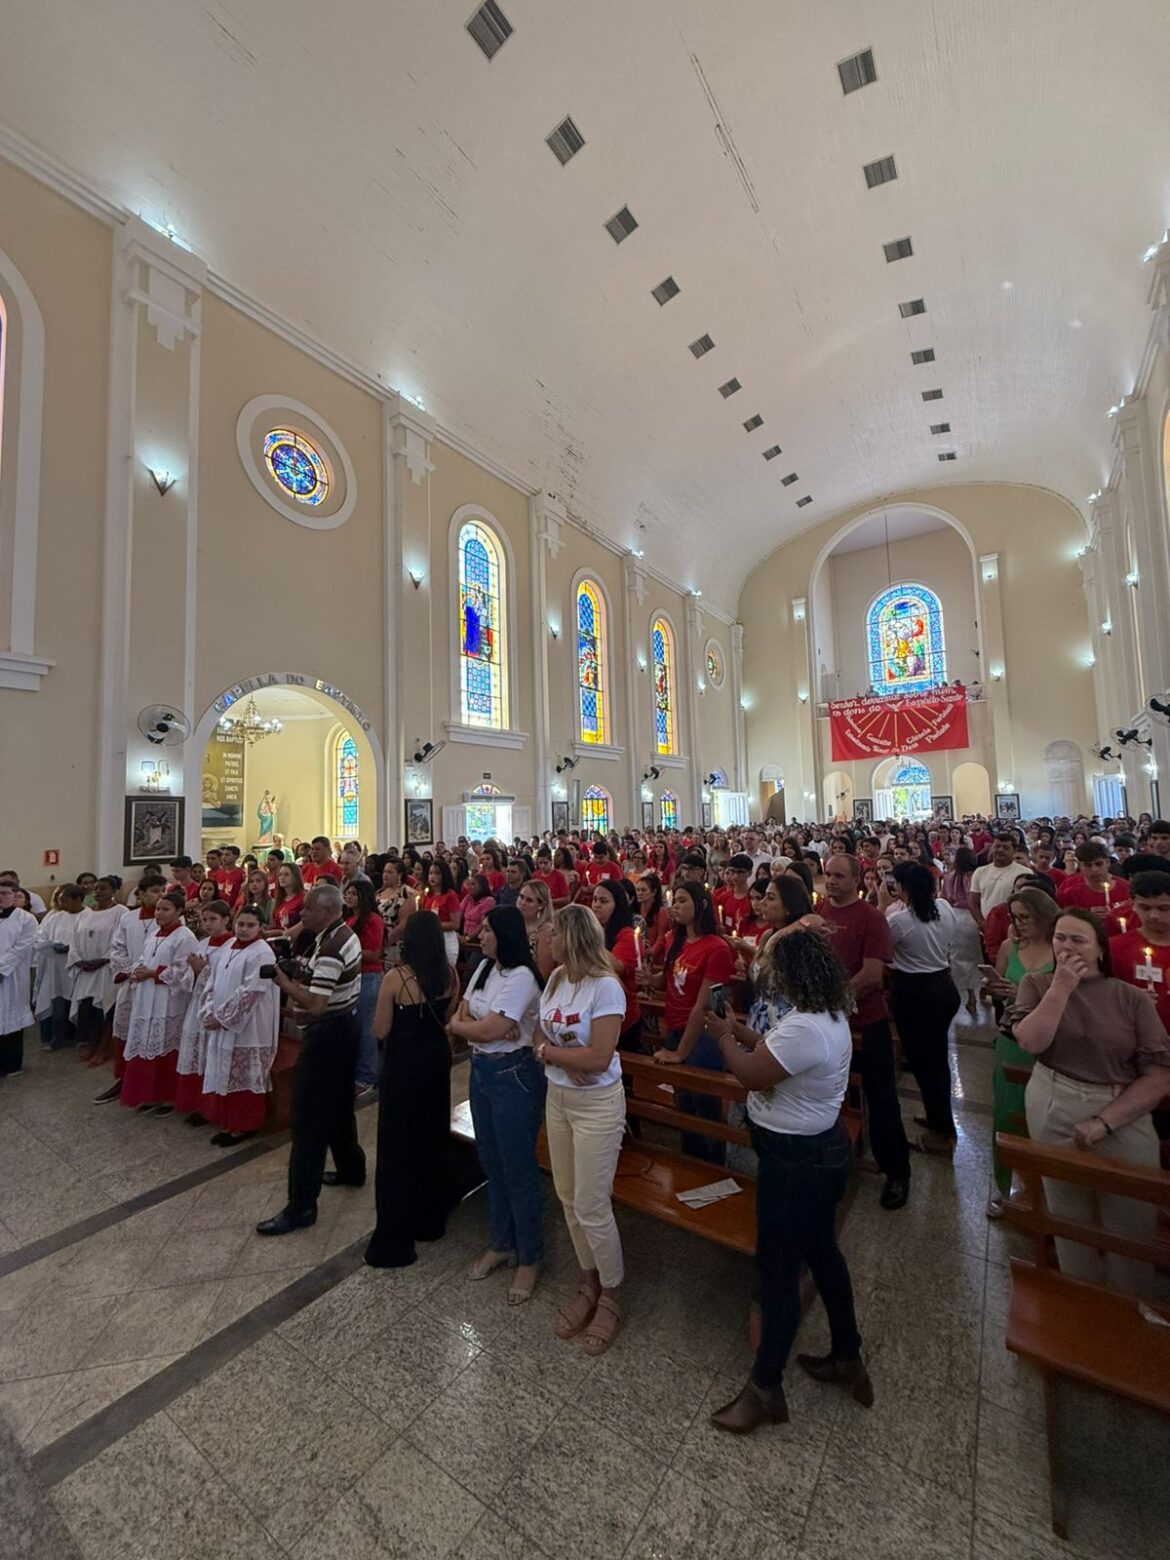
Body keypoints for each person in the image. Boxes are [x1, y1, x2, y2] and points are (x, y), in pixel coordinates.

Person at [705, 929, 871, 1431]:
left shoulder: (806, 1027)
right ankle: (848, 1354)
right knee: (822, 1252)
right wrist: (740, 1031)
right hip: (816, 1154)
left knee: (777, 1271)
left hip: (796, 1161)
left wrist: (722, 1039)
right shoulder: (824, 1015)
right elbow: (774, 1052)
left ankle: (765, 1389)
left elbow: (754, 1076)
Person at [1012, 909, 1170, 1293]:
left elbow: (1160, 1075)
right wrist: (1061, 989)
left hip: (1121, 1108)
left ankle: (1129, 1306)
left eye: (1077, 940)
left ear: (1100, 949)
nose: (1066, 947)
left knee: (1130, 1223)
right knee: (1068, 1213)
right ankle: (1080, 1298)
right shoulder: (1038, 984)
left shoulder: (1129, 998)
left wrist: (1105, 1121)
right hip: (1055, 1097)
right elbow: (1032, 1042)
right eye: (1060, 938)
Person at [532, 903, 628, 1354]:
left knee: (592, 1204)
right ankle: (588, 1280)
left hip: (597, 1105)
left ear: (571, 938)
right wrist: (551, 1054)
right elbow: (538, 1032)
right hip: (560, 1098)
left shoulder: (605, 988)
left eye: (553, 933)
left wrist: (553, 1055)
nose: (546, 939)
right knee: (568, 1198)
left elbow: (599, 1058)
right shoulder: (555, 979)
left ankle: (611, 1293)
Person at [448, 906, 546, 1303]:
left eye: (487, 929)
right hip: (482, 1071)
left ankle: (530, 1255)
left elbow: (491, 1028)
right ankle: (502, 1241)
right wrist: (470, 1026)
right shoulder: (485, 968)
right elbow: (466, 1008)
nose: (480, 934)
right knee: (490, 1158)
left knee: (517, 1164)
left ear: (505, 934)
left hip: (513, 1074)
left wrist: (461, 1028)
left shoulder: (522, 976)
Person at [257, 882, 366, 1236]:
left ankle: (301, 1206)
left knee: (307, 1120)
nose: (301, 914)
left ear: (329, 912)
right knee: (336, 1105)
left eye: (308, 910)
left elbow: (317, 1003)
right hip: (343, 1030)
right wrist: (299, 969)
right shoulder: (335, 935)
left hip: (328, 1036)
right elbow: (322, 978)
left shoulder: (333, 945)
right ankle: (352, 1169)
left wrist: (282, 981)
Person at [364, 910, 459, 1269]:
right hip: (435, 1060)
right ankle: (430, 1219)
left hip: (404, 1063)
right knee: (432, 1135)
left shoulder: (396, 978)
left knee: (398, 1145)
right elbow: (449, 1018)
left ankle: (394, 1239)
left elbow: (380, 1029)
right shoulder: (449, 975)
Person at [820, 853, 912, 1210]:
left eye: (839, 876)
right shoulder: (820, 914)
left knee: (882, 1100)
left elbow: (873, 975)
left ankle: (897, 1171)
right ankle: (838, 1163)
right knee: (831, 1098)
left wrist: (833, 1000)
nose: (831, 881)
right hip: (828, 1025)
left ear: (857, 879)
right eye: (828, 875)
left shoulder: (871, 918)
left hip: (865, 1022)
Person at [985, 887, 1058, 1216]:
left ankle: (1045, 1192)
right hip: (1011, 1040)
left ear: (1045, 916)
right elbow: (997, 993)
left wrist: (1026, 993)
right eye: (1015, 917)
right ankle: (1004, 1188)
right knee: (1006, 1115)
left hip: (1050, 1046)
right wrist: (997, 990)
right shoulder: (1008, 947)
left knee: (1044, 1122)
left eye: (1026, 917)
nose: (1019, 924)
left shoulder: (1060, 950)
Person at [881, 861, 960, 1154]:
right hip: (943, 986)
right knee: (936, 1059)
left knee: (925, 1064)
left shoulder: (900, 921)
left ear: (903, 888)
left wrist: (881, 906)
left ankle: (942, 1133)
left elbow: (882, 952)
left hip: (915, 993)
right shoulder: (944, 907)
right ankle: (938, 1117)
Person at [198, 906, 281, 1145]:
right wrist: (209, 1010)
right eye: (240, 924)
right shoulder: (228, 946)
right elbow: (212, 979)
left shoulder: (262, 952)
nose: (244, 930)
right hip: (223, 1018)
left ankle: (244, 1125)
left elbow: (252, 991)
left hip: (249, 1023)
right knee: (224, 1068)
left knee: (244, 1073)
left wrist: (222, 1017)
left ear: (261, 928)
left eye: (250, 926)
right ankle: (225, 1117)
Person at [120, 890, 200, 1111]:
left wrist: (153, 973)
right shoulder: (155, 933)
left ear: (179, 911)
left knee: (166, 1046)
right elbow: (144, 958)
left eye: (166, 909)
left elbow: (184, 973)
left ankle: (168, 1096)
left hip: (168, 1000)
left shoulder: (185, 936)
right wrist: (136, 971)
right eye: (158, 908)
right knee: (145, 1045)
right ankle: (150, 1094)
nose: (159, 913)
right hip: (147, 997)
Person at [174, 898, 234, 1123]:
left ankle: (212, 1106)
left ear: (226, 920)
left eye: (213, 919)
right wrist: (193, 971)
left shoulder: (232, 945)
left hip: (217, 1007)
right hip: (198, 1004)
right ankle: (197, 1102)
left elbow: (228, 978)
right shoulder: (202, 943)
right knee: (196, 1052)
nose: (207, 924)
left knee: (213, 1054)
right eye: (204, 919)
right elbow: (187, 976)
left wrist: (204, 970)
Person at [67, 877, 129, 1057]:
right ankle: (89, 1043)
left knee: (105, 1008)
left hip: (105, 968)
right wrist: (78, 959)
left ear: (113, 891)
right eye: (96, 889)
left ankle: (103, 1047)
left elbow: (120, 939)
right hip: (86, 969)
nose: (98, 892)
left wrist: (104, 959)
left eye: (103, 888)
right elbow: (74, 939)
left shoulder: (120, 912)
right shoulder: (85, 913)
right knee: (86, 1007)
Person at [590, 878, 642, 1054]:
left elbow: (615, 967)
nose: (596, 905)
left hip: (623, 1018)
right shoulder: (599, 932)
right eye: (595, 900)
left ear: (617, 905)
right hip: (594, 1011)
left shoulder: (627, 935)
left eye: (603, 901)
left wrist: (588, 938)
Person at [344, 878, 386, 1094]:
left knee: (366, 1028)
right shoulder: (351, 919)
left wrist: (346, 954)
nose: (348, 896)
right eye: (347, 893)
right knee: (355, 1028)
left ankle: (368, 1076)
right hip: (352, 977)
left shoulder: (373, 920)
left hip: (369, 977)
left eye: (353, 893)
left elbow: (374, 953)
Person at [34, 883, 85, 1049]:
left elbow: (90, 942)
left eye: (66, 900)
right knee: (58, 1003)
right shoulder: (56, 917)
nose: (62, 904)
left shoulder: (88, 916)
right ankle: (56, 1038)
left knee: (78, 1003)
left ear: (78, 899)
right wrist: (50, 945)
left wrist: (72, 949)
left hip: (77, 968)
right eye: (60, 900)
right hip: (55, 967)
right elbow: (41, 937)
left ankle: (79, 1038)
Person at [0, 879, 38, 1077]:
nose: (1, 897)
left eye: (5, 893)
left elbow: (23, 947)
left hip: (12, 976)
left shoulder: (26, 919)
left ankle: (13, 1064)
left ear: (15, 895)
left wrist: (2, 969)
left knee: (12, 1021)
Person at [941, 846, 981, 1017]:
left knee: (957, 959)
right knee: (976, 958)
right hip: (973, 917)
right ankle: (980, 990)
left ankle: (967, 994)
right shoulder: (976, 876)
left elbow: (943, 898)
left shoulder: (950, 876)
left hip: (954, 917)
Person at [969, 833, 1023, 930]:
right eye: (997, 846)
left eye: (1005, 848)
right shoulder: (980, 871)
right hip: (986, 928)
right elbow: (973, 901)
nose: (1000, 850)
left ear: (1014, 852)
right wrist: (981, 922)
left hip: (1013, 928)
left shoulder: (1024, 873)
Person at [420, 858, 462, 965]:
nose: (432, 876)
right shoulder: (428, 895)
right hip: (430, 937)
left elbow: (455, 924)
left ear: (444, 875)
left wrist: (433, 924)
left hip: (446, 938)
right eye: (430, 873)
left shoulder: (450, 895)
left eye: (437, 873)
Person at [376, 855, 417, 965]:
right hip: (378, 940)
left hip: (395, 944)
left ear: (399, 874)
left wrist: (385, 942)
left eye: (390, 872)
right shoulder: (379, 893)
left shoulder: (406, 894)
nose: (385, 875)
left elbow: (404, 924)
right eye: (384, 872)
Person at [516, 878, 557, 980]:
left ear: (541, 905)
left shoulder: (546, 931)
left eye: (529, 900)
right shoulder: (514, 924)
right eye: (521, 897)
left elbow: (543, 974)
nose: (522, 903)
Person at [269, 862, 306, 936]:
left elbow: (306, 922)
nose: (282, 877)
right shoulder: (279, 900)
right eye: (280, 875)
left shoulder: (304, 898)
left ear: (295, 877)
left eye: (286, 874)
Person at [461, 873, 497, 941]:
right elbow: (458, 912)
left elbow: (482, 924)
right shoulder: (468, 898)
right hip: (465, 937)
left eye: (473, 884)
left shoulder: (489, 901)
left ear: (482, 886)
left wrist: (468, 938)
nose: (469, 887)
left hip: (479, 939)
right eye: (469, 884)